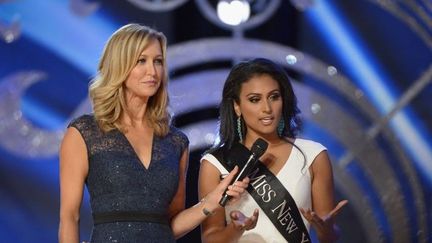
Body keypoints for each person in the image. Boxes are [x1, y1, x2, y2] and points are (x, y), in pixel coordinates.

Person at [58, 23, 253, 243]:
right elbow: (69, 217)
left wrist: (210, 203)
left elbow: (171, 224)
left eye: (158, 61)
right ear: (120, 65)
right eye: (141, 61)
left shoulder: (176, 141)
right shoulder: (84, 133)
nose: (153, 71)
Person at [199, 58, 348, 243]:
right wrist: (236, 228)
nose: (267, 108)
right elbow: (209, 238)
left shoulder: (313, 155)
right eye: (255, 100)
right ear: (237, 106)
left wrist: (326, 230)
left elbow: (330, 236)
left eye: (274, 97)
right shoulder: (215, 164)